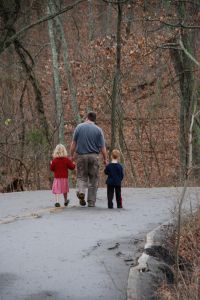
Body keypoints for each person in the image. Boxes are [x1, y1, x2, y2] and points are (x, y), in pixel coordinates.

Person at [70, 111, 108, 207]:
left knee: (81, 176)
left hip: (81, 156)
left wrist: (71, 156)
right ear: (94, 120)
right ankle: (91, 201)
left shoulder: (79, 127)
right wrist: (105, 158)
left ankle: (81, 191)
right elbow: (103, 147)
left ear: (87, 117)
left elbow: (73, 143)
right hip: (94, 157)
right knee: (93, 179)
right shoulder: (99, 130)